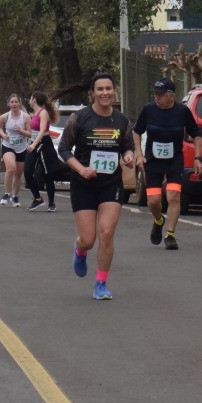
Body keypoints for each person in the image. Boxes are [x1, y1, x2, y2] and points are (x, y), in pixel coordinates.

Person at [57, 72, 136, 301]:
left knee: (107, 233)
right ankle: (80, 250)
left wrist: (129, 156)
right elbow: (63, 149)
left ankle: (101, 283)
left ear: (114, 91)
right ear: (92, 92)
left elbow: (127, 147)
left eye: (108, 89)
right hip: (84, 183)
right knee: (89, 239)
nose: (105, 93)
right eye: (100, 89)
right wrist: (80, 169)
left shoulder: (121, 121)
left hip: (111, 182)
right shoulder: (79, 118)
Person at [133, 78, 202, 250]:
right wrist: (139, 155)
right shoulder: (148, 110)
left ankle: (170, 234)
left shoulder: (182, 111)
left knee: (173, 196)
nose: (157, 97)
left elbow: (197, 134)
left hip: (174, 160)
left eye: (161, 94)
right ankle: (158, 220)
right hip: (153, 160)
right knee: (154, 200)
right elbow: (136, 131)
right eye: (155, 94)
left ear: (171, 96)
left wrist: (197, 158)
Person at [23, 91, 62, 212]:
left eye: (30, 98)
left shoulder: (43, 112)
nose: (29, 100)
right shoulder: (34, 113)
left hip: (44, 144)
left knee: (47, 174)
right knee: (28, 171)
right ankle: (38, 199)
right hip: (34, 144)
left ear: (34, 99)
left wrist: (34, 145)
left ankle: (51, 202)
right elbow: (33, 132)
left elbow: (42, 131)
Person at [0, 94, 32, 207]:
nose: (14, 104)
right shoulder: (5, 117)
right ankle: (6, 194)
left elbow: (30, 133)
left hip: (22, 148)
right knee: (11, 168)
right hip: (8, 146)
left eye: (16, 102)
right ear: (8, 104)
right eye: (12, 102)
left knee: (18, 174)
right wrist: (3, 135)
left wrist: (21, 131)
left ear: (19, 103)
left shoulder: (26, 117)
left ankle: (15, 197)